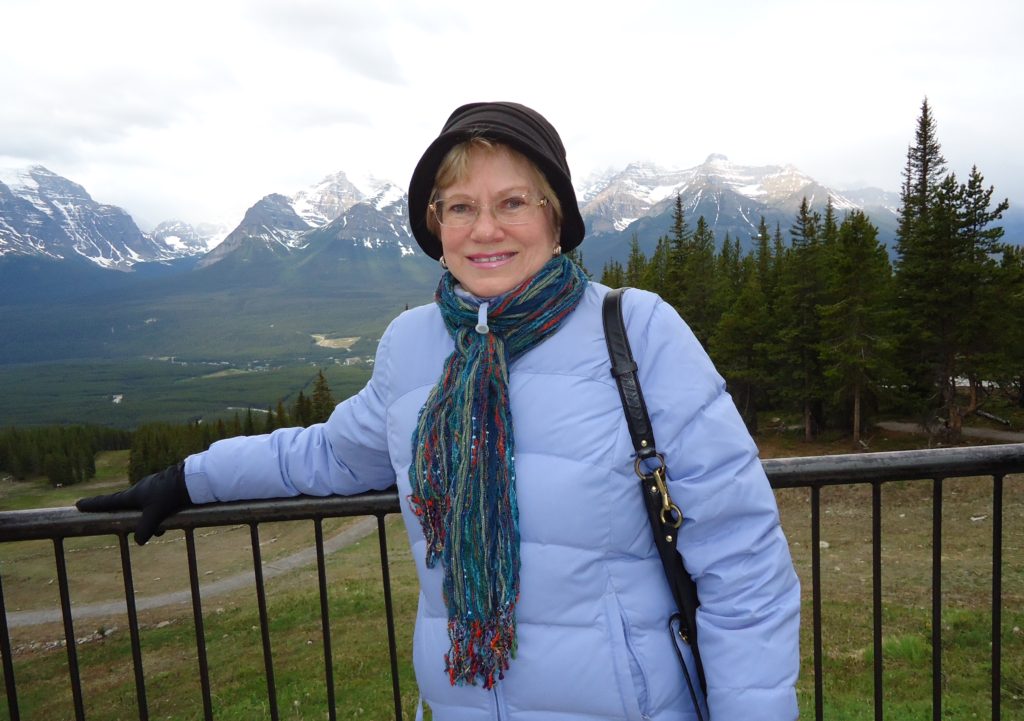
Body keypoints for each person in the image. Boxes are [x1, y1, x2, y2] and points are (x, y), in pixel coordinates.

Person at [78, 101, 800, 720]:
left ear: (556, 219)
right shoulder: (413, 345)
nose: (486, 229)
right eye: (461, 207)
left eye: (513, 202)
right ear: (438, 226)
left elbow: (743, 562)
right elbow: (332, 455)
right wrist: (188, 478)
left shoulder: (637, 331)